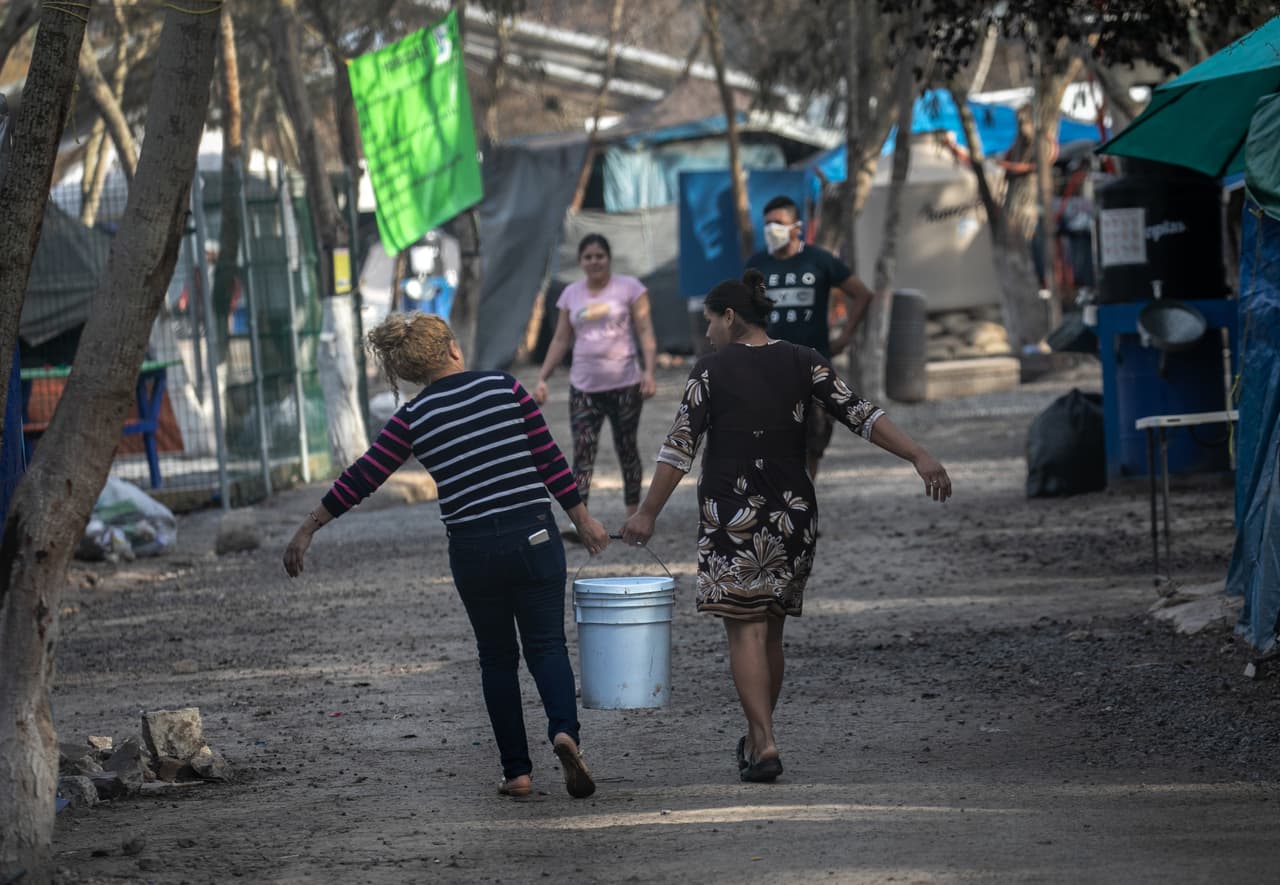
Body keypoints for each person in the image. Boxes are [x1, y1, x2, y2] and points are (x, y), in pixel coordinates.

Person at [621, 270, 951, 783]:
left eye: (710, 322)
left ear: (730, 317)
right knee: (769, 629)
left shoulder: (709, 371)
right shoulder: (805, 360)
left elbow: (679, 447)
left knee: (744, 631)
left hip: (732, 515)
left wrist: (647, 513)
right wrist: (918, 454)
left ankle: (766, 741)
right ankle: (758, 740)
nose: (707, 334)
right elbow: (860, 414)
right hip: (792, 512)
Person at [283, 312, 610, 800]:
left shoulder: (412, 419)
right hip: (534, 539)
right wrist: (582, 519)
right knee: (546, 646)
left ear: (412, 371)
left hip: (474, 550)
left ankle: (517, 772)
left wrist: (308, 528)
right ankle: (565, 732)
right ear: (454, 349)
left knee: (497, 658)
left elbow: (364, 476)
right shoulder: (505, 389)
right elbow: (549, 459)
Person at [534, 234, 658, 537]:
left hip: (625, 383)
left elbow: (645, 331)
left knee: (626, 447)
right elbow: (561, 339)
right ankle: (581, 521)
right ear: (581, 262)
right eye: (588, 257)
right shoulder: (571, 295)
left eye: (599, 255)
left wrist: (649, 372)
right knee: (583, 451)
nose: (594, 261)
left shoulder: (630, 288)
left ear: (609, 258)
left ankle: (634, 517)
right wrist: (543, 377)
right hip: (584, 386)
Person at [745, 195, 875, 479]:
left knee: (813, 441)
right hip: (768, 367)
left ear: (796, 227)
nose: (771, 229)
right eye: (766, 224)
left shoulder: (819, 261)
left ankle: (801, 504)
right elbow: (743, 313)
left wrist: (845, 336)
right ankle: (779, 506)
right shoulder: (755, 266)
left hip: (813, 367)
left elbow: (862, 294)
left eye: (778, 223)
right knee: (772, 441)